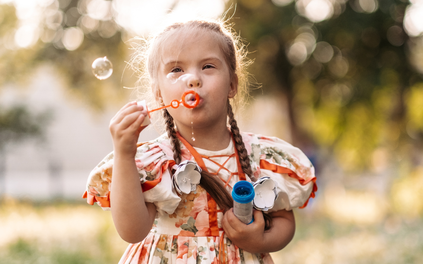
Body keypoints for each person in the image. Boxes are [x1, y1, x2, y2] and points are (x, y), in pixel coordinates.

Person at [83, 18, 317, 264]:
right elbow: (132, 231)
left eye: (207, 66)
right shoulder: (154, 162)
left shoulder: (261, 155)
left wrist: (260, 242)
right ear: (158, 93)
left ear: (231, 85)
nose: (192, 79)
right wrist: (123, 154)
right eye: (176, 70)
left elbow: (283, 222)